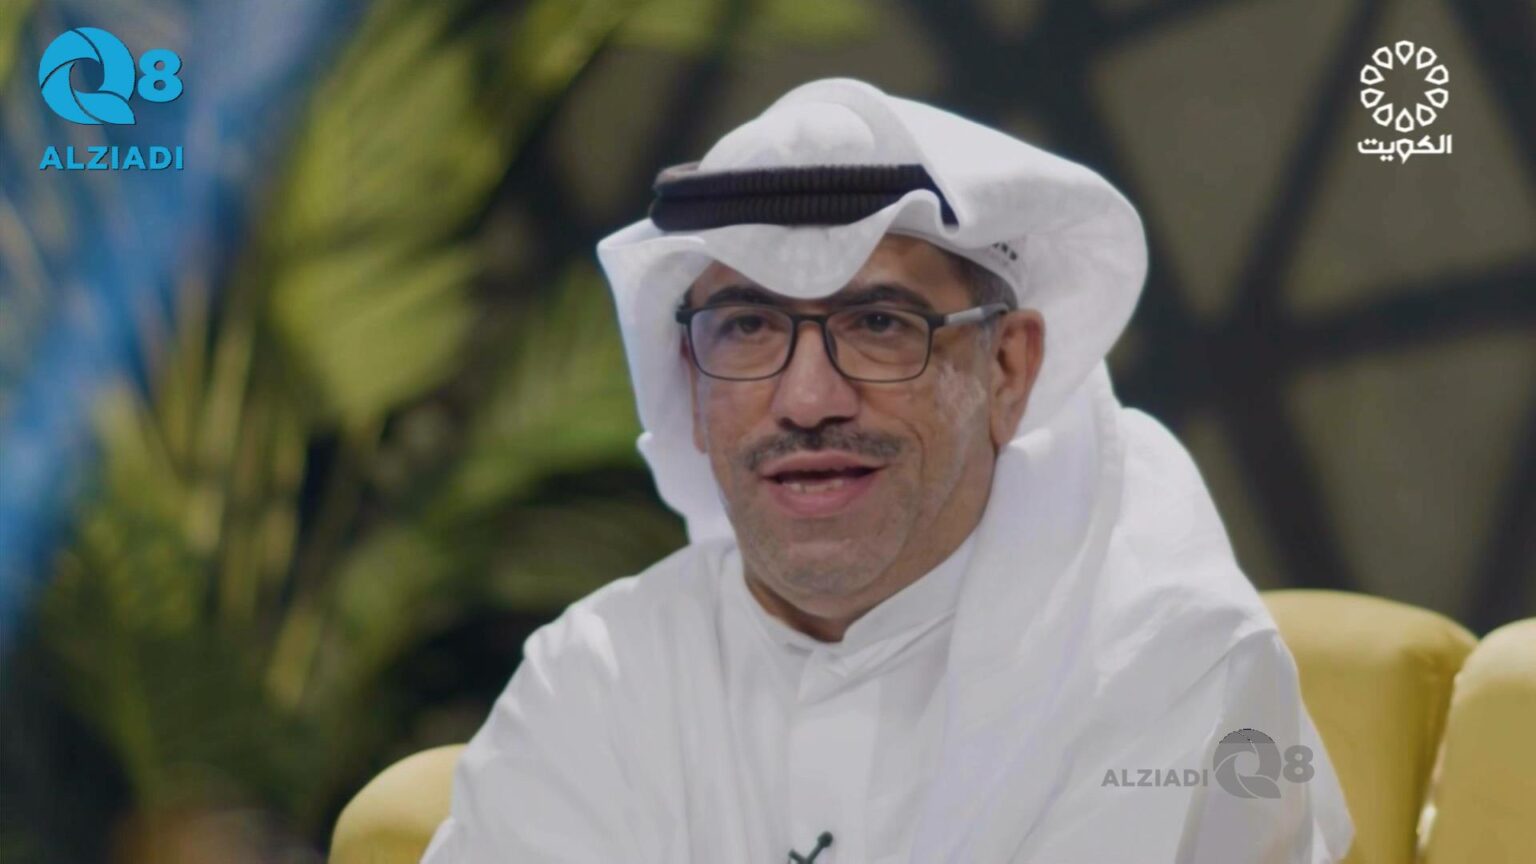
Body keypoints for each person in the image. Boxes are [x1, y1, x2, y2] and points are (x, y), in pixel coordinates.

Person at [421, 78, 1354, 863]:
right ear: (690, 384)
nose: (807, 399)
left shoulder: (1164, 664)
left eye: (879, 324)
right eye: (747, 327)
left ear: (1007, 369)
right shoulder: (594, 679)